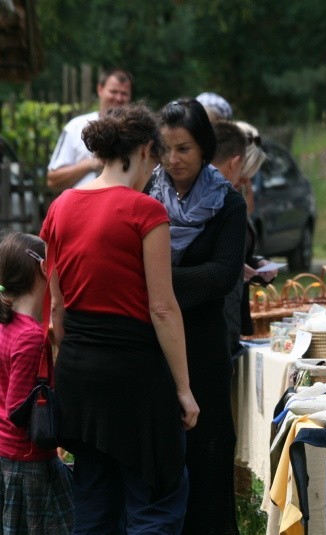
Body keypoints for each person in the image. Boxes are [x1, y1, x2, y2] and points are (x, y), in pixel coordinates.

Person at [40, 103, 199, 533]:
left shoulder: (60, 207)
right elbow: (162, 307)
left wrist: (64, 369)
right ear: (147, 150)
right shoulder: (146, 212)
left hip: (78, 374)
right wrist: (184, 390)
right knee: (155, 499)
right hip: (134, 378)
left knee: (92, 501)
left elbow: (56, 308)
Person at [149, 98, 247, 534]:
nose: (173, 160)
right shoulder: (146, 197)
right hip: (151, 347)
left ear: (204, 148)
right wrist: (174, 283)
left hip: (205, 348)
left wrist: (158, 282)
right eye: (166, 149)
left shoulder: (228, 203)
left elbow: (223, 274)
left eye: (184, 148)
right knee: (157, 464)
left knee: (207, 461)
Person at [0, 231, 74, 534]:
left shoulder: (8, 326)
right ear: (44, 268)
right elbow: (19, 408)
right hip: (28, 460)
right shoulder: (30, 336)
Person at [211, 120, 275, 354]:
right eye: (245, 176)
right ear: (234, 163)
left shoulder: (232, 195)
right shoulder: (210, 201)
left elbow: (240, 248)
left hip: (231, 316)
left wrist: (257, 263)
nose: (245, 184)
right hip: (216, 319)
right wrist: (238, 268)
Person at [46, 67, 133, 192]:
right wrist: (91, 163)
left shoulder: (136, 134)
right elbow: (52, 180)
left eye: (124, 94)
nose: (118, 98)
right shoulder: (75, 127)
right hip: (80, 207)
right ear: (100, 89)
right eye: (113, 92)